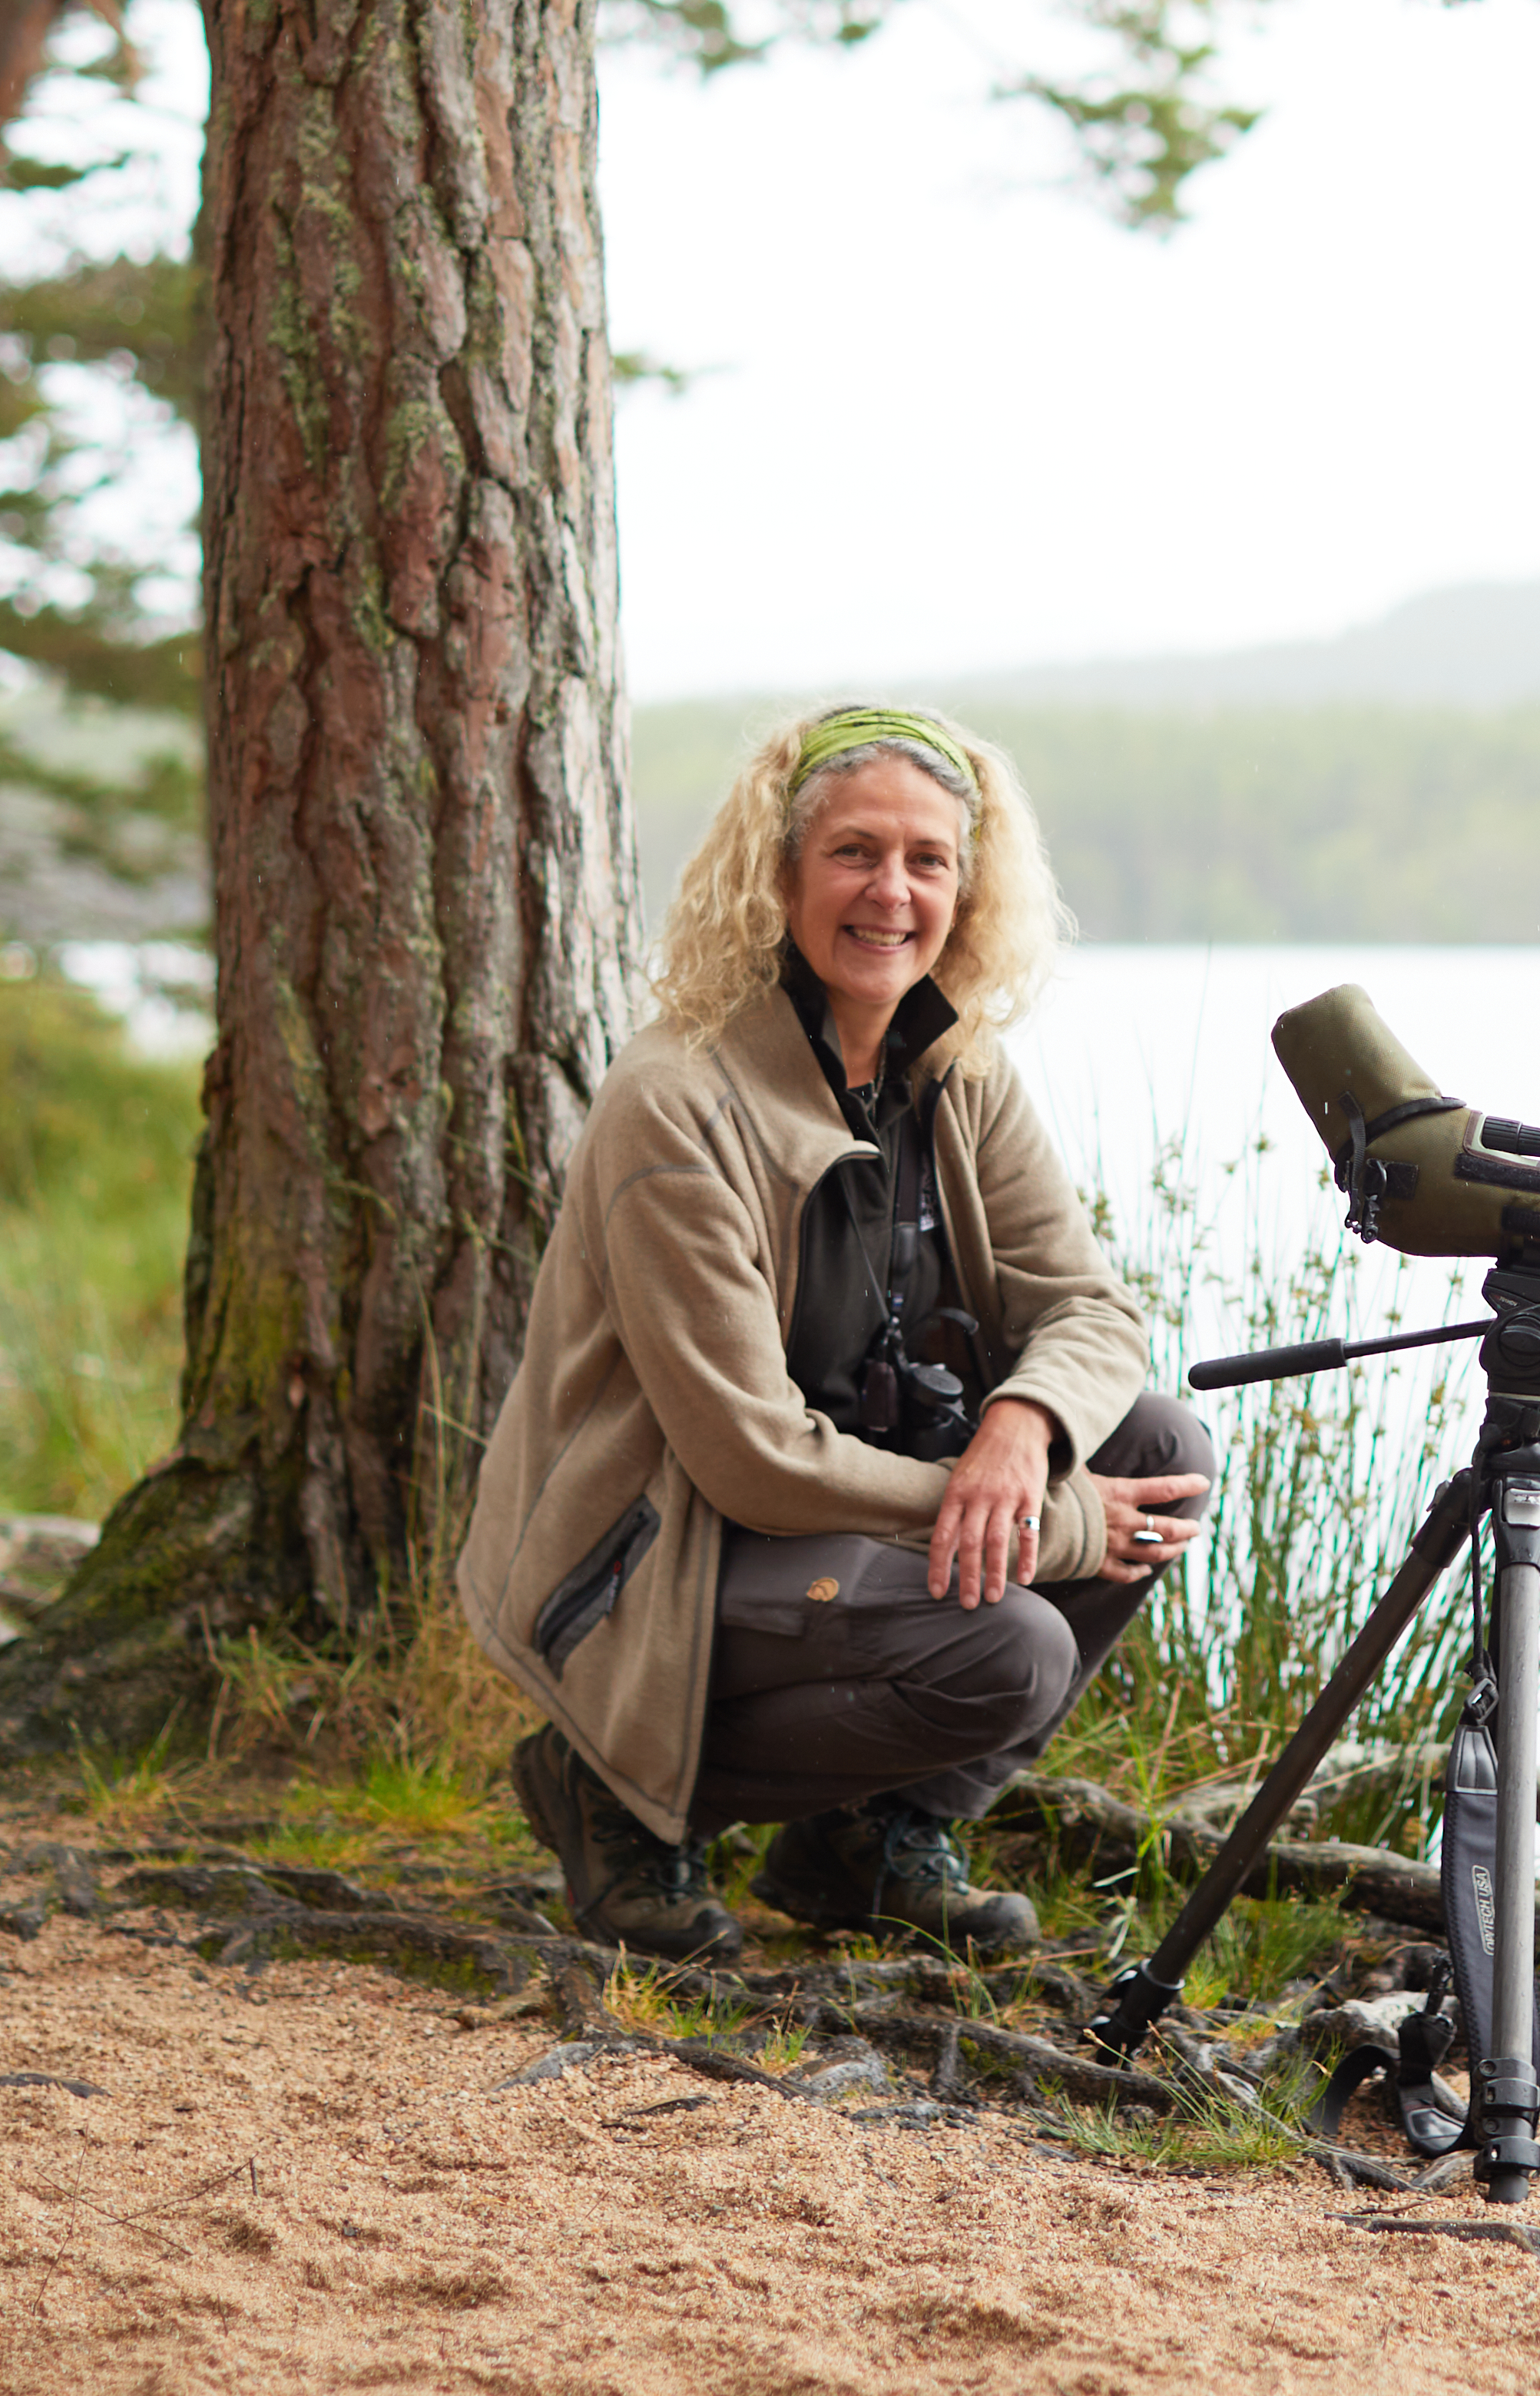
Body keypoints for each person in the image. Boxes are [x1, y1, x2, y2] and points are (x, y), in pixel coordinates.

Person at [455, 704, 1211, 1960]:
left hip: (844, 1523)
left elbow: (1089, 1306)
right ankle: (615, 1791)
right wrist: (1057, 1525)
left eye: (929, 860)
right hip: (659, 1557)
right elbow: (750, 1456)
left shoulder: (958, 1067)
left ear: (968, 892)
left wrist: (1021, 1433)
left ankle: (872, 1841)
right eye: (854, 852)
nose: (892, 892)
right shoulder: (675, 1101)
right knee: (1013, 1650)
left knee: (1156, 1443)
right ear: (780, 874)